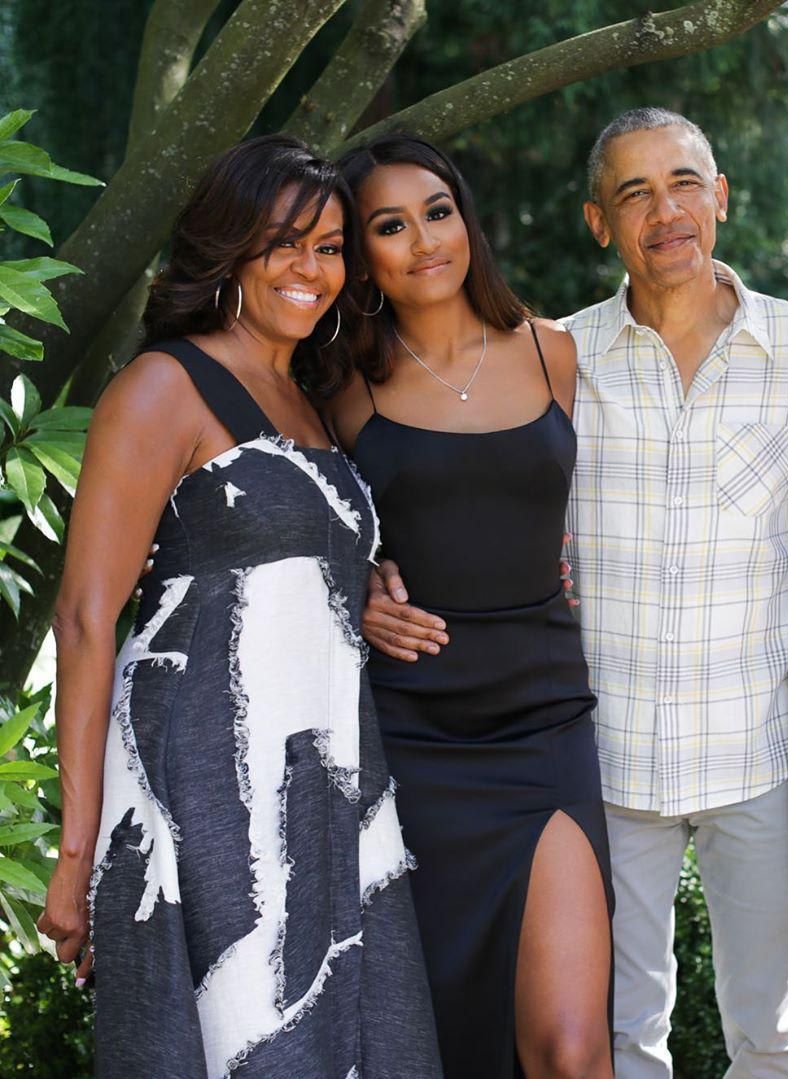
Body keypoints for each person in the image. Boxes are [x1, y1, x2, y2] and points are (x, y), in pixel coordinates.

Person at [362, 109, 788, 1078]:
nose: (661, 210)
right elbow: (459, 483)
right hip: (607, 758)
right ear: (598, 221)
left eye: (681, 183)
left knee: (772, 1035)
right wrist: (368, 572)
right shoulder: (557, 359)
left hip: (760, 757)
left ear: (719, 198)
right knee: (623, 1039)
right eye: (631, 192)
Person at [37, 135, 442, 1079]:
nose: (312, 269)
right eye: (284, 243)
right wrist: (76, 849)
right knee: (251, 1038)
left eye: (332, 246)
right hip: (205, 781)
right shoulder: (162, 387)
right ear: (227, 248)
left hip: (323, 774)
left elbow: (295, 575)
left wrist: (366, 592)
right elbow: (86, 619)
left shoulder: (307, 399)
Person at [323, 133, 614, 1079]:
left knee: (571, 1049)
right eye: (389, 226)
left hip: (544, 724)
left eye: (436, 211)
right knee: (444, 1042)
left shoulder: (554, 350)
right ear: (362, 254)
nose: (423, 240)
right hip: (413, 734)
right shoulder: (339, 387)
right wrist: (355, 586)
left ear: (466, 218)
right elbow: (294, 526)